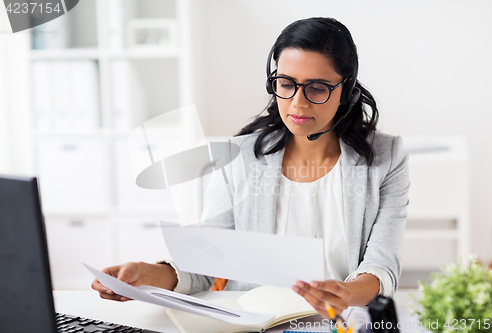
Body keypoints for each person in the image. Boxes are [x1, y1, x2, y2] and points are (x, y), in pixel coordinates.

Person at [92, 17, 409, 319]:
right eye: (286, 84)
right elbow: (207, 261)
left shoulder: (386, 158)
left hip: (341, 321)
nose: (298, 103)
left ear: (347, 90)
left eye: (317, 88)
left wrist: (348, 292)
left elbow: (382, 265)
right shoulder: (239, 157)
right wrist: (147, 274)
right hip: (256, 321)